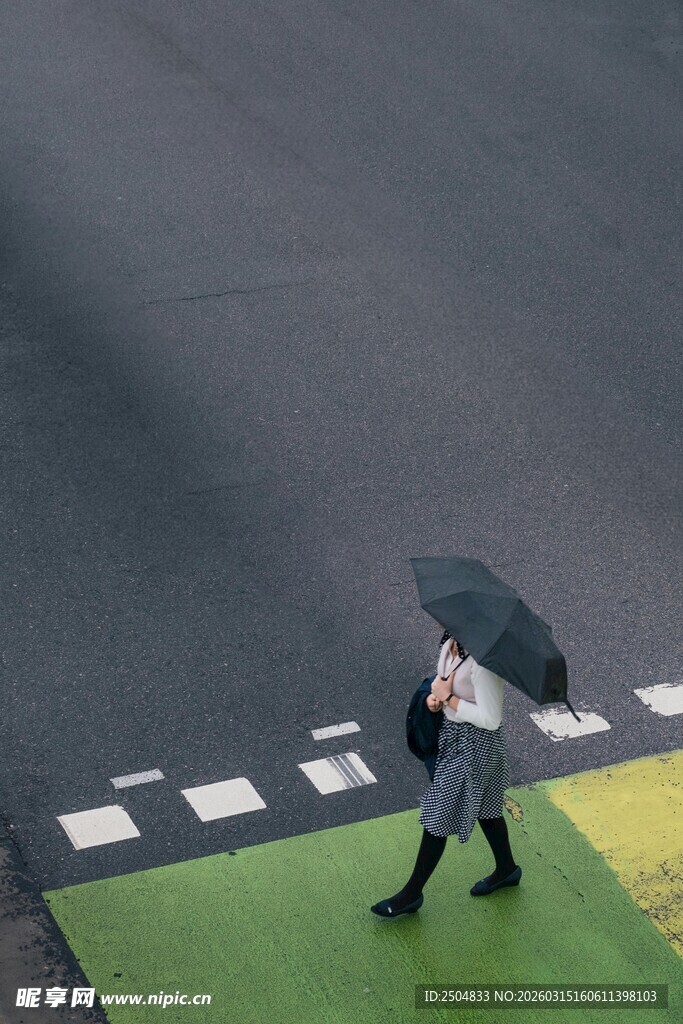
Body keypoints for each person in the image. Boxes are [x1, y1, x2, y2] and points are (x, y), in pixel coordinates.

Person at [371, 625, 521, 917]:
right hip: (453, 735)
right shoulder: (453, 644)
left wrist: (449, 698)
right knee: (487, 809)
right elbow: (444, 684)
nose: (442, 624)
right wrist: (435, 700)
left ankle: (411, 894)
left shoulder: (485, 664)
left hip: (477, 745)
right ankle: (507, 869)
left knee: (438, 815)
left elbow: (491, 719)